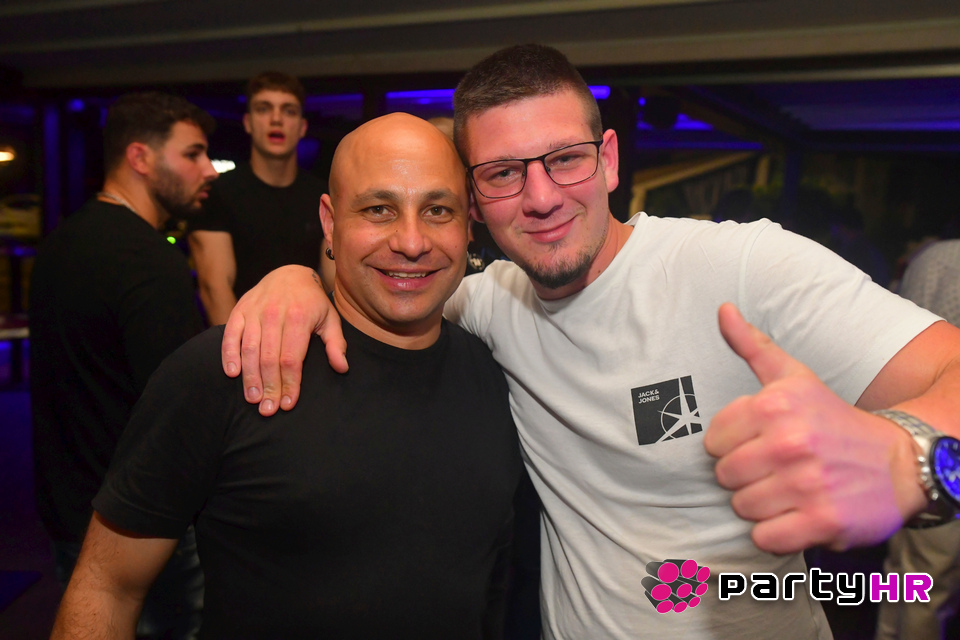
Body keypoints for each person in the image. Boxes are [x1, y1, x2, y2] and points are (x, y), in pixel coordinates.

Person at [220, 45, 960, 639]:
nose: (541, 198)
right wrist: (297, 278)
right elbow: (380, 279)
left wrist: (915, 458)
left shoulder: (742, 268)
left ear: (607, 159)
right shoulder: (485, 304)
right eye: (504, 173)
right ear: (475, 200)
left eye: (564, 159)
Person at [50, 113, 522, 639]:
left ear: (468, 223)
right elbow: (107, 587)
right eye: (378, 209)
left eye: (437, 210)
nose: (412, 241)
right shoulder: (227, 370)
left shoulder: (497, 375)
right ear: (330, 223)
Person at [30, 92, 217, 639]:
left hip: (70, 508)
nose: (209, 170)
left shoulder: (61, 243)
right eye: (193, 154)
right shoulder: (148, 260)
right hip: (143, 521)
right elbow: (181, 409)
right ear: (140, 157)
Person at [188, 71, 330, 324]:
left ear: (302, 127)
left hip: (310, 333)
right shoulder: (218, 193)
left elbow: (336, 283)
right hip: (241, 337)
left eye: (289, 111)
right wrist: (239, 347)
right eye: (263, 109)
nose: (276, 119)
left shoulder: (322, 197)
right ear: (248, 122)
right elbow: (215, 288)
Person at [876, 239, 960, 640]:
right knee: (933, 581)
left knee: (902, 572)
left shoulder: (928, 257)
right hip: (950, 441)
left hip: (902, 424)